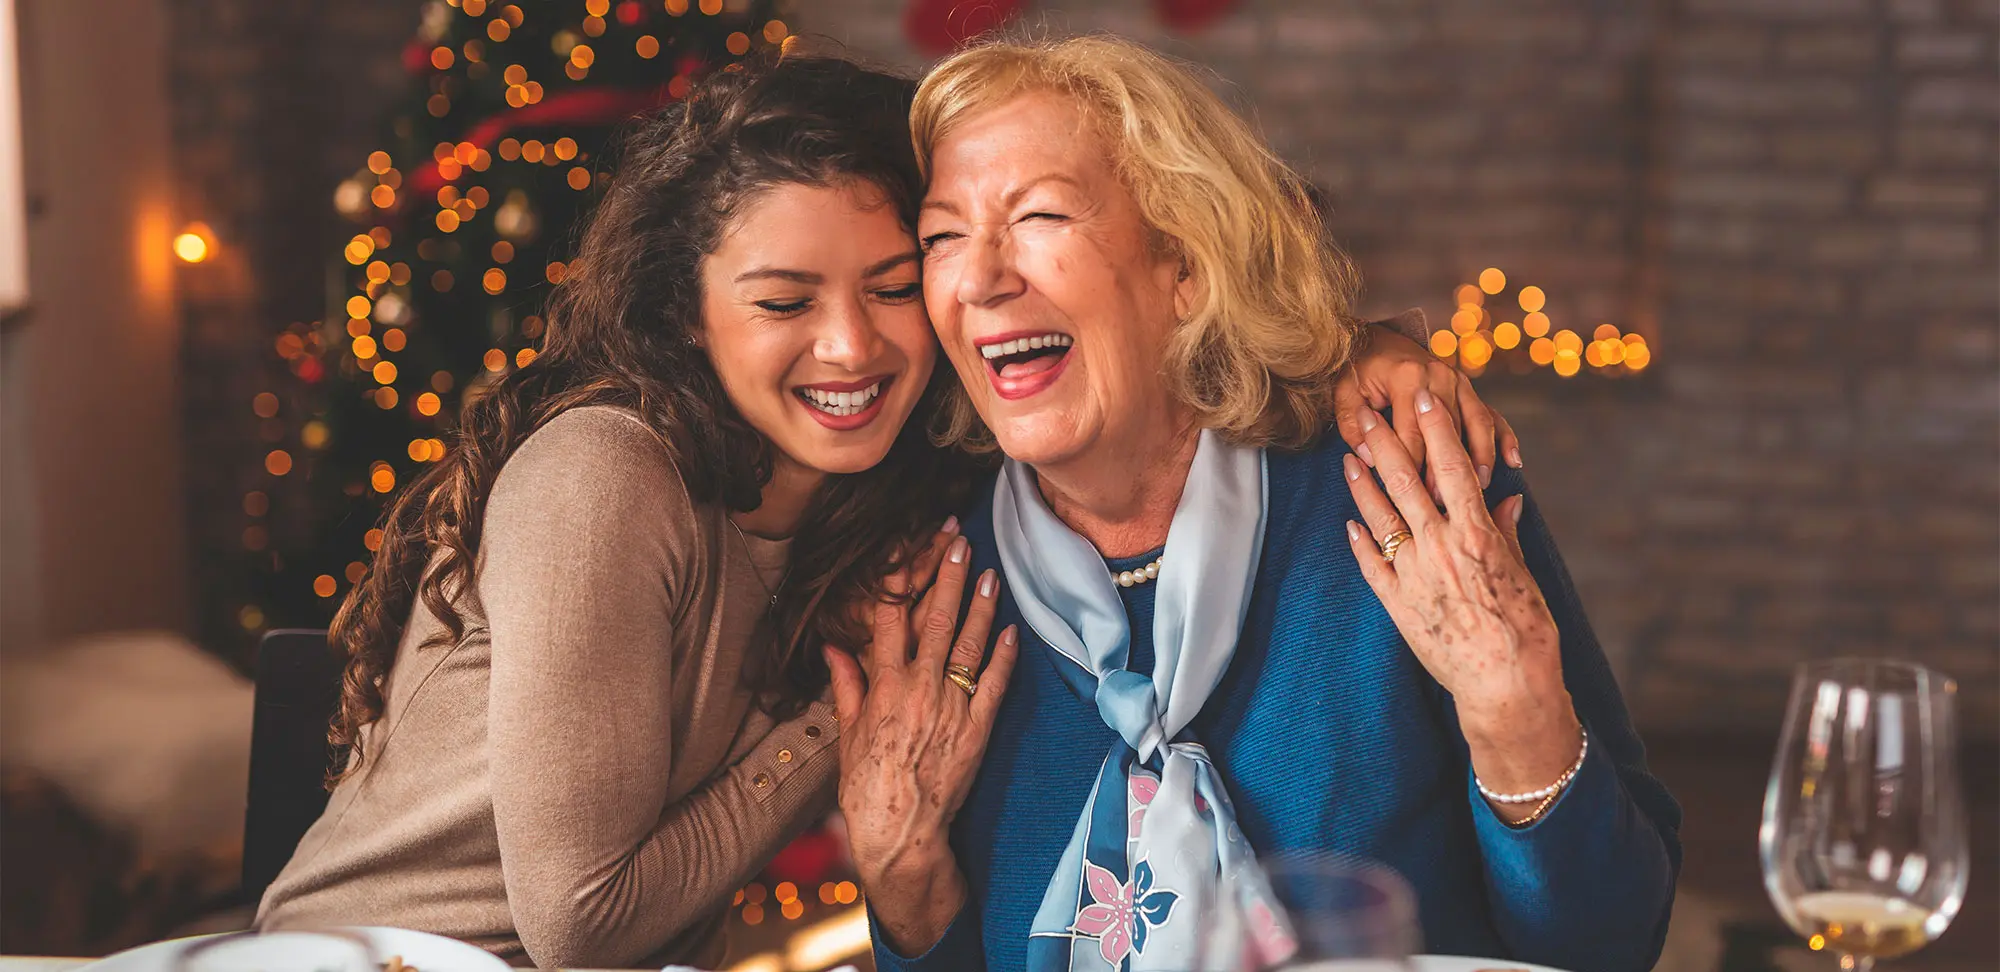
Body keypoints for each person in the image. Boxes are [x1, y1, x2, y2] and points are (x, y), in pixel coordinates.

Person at [255, 53, 1503, 968]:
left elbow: (1186, 341)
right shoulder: (608, 474)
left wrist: (1370, 352)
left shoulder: (910, 492)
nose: (849, 346)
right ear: (688, 315)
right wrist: (826, 724)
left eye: (896, 282)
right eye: (783, 300)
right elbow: (580, 925)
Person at [831, 36, 1681, 972]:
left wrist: (1516, 713)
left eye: (1038, 216)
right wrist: (903, 882)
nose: (981, 278)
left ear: (1184, 266)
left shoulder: (1401, 483)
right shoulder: (934, 577)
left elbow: (1613, 942)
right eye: (942, 237)